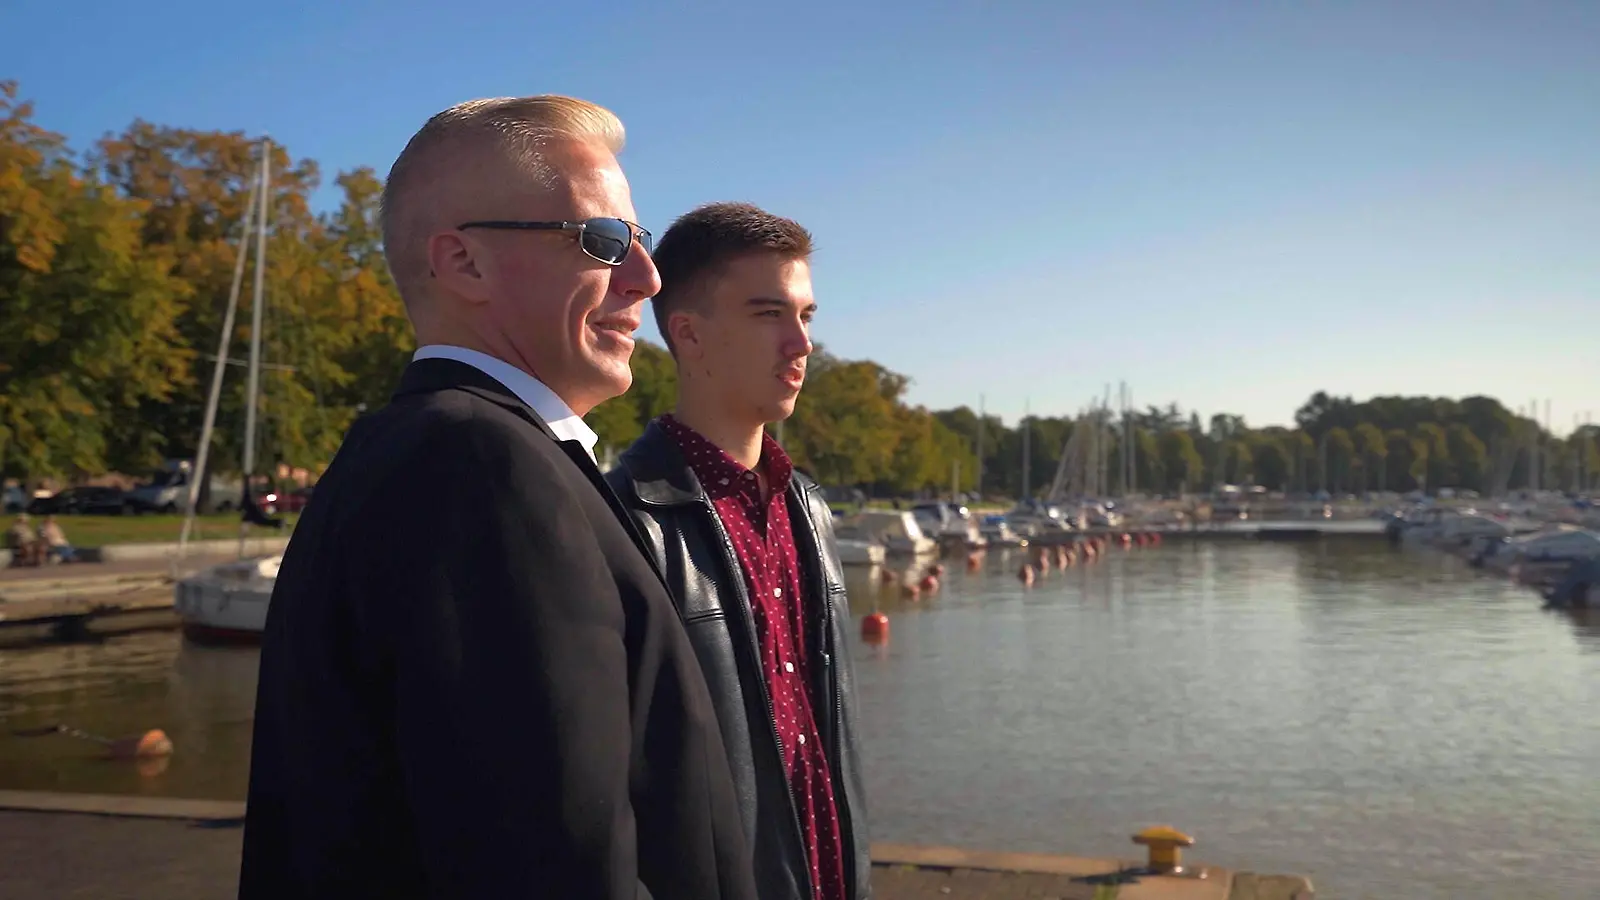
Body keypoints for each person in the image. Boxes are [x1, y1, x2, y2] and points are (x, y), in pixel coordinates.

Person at [239, 98, 757, 900]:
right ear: (464, 263)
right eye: (604, 240)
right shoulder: (481, 466)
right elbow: (551, 865)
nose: (647, 279)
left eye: (641, 241)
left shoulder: (428, 448)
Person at [605, 203, 872, 900]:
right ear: (689, 334)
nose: (801, 343)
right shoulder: (622, 521)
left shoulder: (809, 510)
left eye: (806, 315)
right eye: (768, 314)